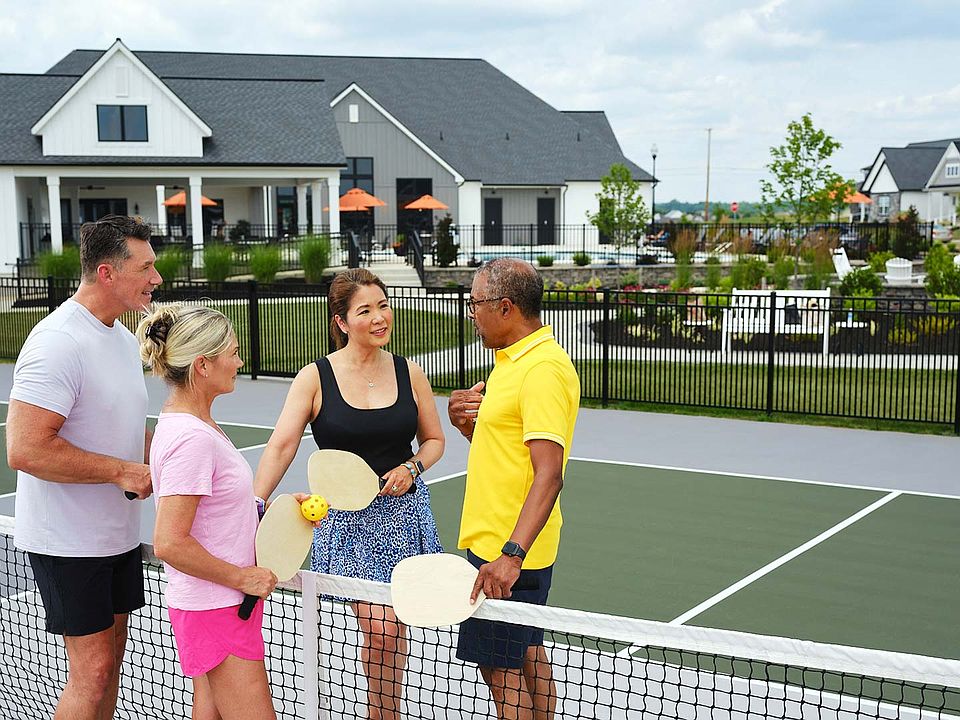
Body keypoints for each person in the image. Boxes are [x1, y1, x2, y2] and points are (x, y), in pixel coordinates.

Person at [254, 268, 445, 720]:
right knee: (380, 629)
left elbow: (434, 442)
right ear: (341, 321)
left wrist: (411, 466)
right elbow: (281, 445)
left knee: (394, 630)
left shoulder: (409, 372)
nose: (380, 317)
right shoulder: (315, 377)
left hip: (405, 515)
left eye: (383, 305)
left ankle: (385, 712)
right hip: (348, 524)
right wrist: (253, 506)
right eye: (365, 310)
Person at [6, 214, 160, 720]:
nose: (156, 279)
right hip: (68, 541)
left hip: (116, 537)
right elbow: (25, 449)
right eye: (146, 268)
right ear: (107, 273)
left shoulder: (119, 337)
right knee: (91, 674)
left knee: (110, 666)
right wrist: (122, 471)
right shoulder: (56, 342)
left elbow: (123, 425)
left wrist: (172, 452)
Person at [448, 258, 580, 720]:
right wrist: (463, 423)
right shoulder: (511, 361)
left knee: (500, 673)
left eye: (475, 304)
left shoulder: (542, 370)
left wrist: (510, 555)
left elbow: (550, 473)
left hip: (507, 553)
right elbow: (504, 448)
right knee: (527, 654)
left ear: (505, 308)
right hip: (503, 544)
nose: (471, 314)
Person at [138, 304, 279, 720]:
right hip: (218, 606)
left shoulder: (191, 424)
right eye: (232, 353)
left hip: (219, 604)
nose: (239, 362)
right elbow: (168, 542)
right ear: (203, 364)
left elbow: (213, 513)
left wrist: (270, 512)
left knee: (211, 710)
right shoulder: (192, 438)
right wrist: (242, 576)